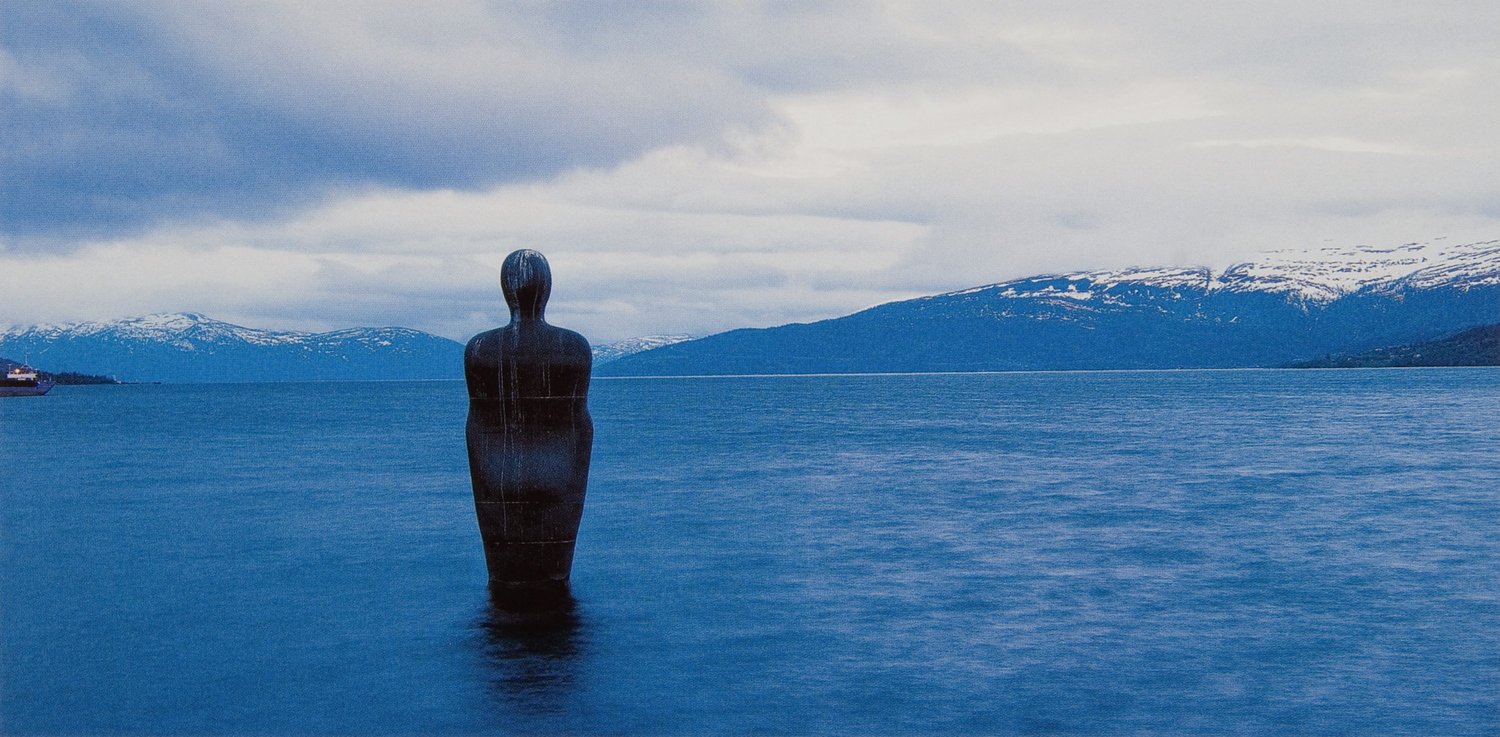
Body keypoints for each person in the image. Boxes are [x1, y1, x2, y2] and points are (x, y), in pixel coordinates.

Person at [464, 249, 593, 586]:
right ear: (547, 287)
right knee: (554, 573)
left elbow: (476, 423)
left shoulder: (479, 349)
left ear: (506, 289)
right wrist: (572, 473)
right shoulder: (575, 347)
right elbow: (580, 423)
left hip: (497, 473)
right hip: (560, 473)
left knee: (505, 576)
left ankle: (507, 583)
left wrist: (486, 474)